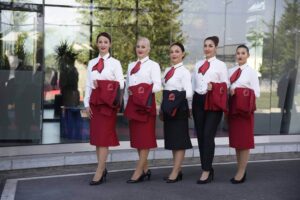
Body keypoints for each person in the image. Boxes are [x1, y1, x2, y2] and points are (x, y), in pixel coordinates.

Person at [84, 32, 125, 185]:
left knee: (103, 138)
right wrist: (86, 104)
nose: (102, 44)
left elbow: (120, 83)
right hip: (95, 103)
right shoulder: (91, 63)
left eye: (105, 42)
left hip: (108, 105)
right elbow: (88, 84)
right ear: (97, 44)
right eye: (100, 42)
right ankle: (102, 167)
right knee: (97, 139)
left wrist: (102, 84)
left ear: (110, 44)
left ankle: (99, 171)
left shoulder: (115, 63)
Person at [124, 37, 161, 183]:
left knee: (145, 140)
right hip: (133, 106)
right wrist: (127, 104)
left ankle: (138, 171)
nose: (140, 49)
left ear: (149, 49)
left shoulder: (153, 65)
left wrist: (140, 90)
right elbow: (128, 87)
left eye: (143, 47)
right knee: (138, 140)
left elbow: (157, 86)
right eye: (138, 46)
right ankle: (145, 170)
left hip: (146, 106)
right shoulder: (131, 65)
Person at [192, 36, 229, 184]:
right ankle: (206, 167)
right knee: (201, 136)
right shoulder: (198, 64)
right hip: (198, 101)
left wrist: (214, 86)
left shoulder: (221, 65)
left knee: (208, 135)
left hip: (212, 102)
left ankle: (206, 170)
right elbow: (193, 83)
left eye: (210, 46)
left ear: (216, 48)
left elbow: (226, 84)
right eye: (205, 45)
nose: (207, 48)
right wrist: (190, 105)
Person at [160, 42, 193, 183]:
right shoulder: (167, 70)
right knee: (173, 140)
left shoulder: (184, 72)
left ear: (182, 54)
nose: (174, 54)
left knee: (179, 141)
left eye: (177, 51)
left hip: (179, 109)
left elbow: (189, 92)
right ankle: (177, 169)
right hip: (168, 109)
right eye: (172, 51)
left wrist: (174, 97)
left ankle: (175, 171)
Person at [228, 44, 260, 184]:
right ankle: (239, 169)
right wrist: (231, 90)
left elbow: (257, 93)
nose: (240, 55)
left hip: (245, 111)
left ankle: (241, 171)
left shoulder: (251, 72)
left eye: (243, 53)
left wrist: (240, 91)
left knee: (244, 141)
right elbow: (227, 86)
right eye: (238, 53)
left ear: (248, 56)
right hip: (233, 109)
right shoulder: (231, 71)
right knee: (237, 141)